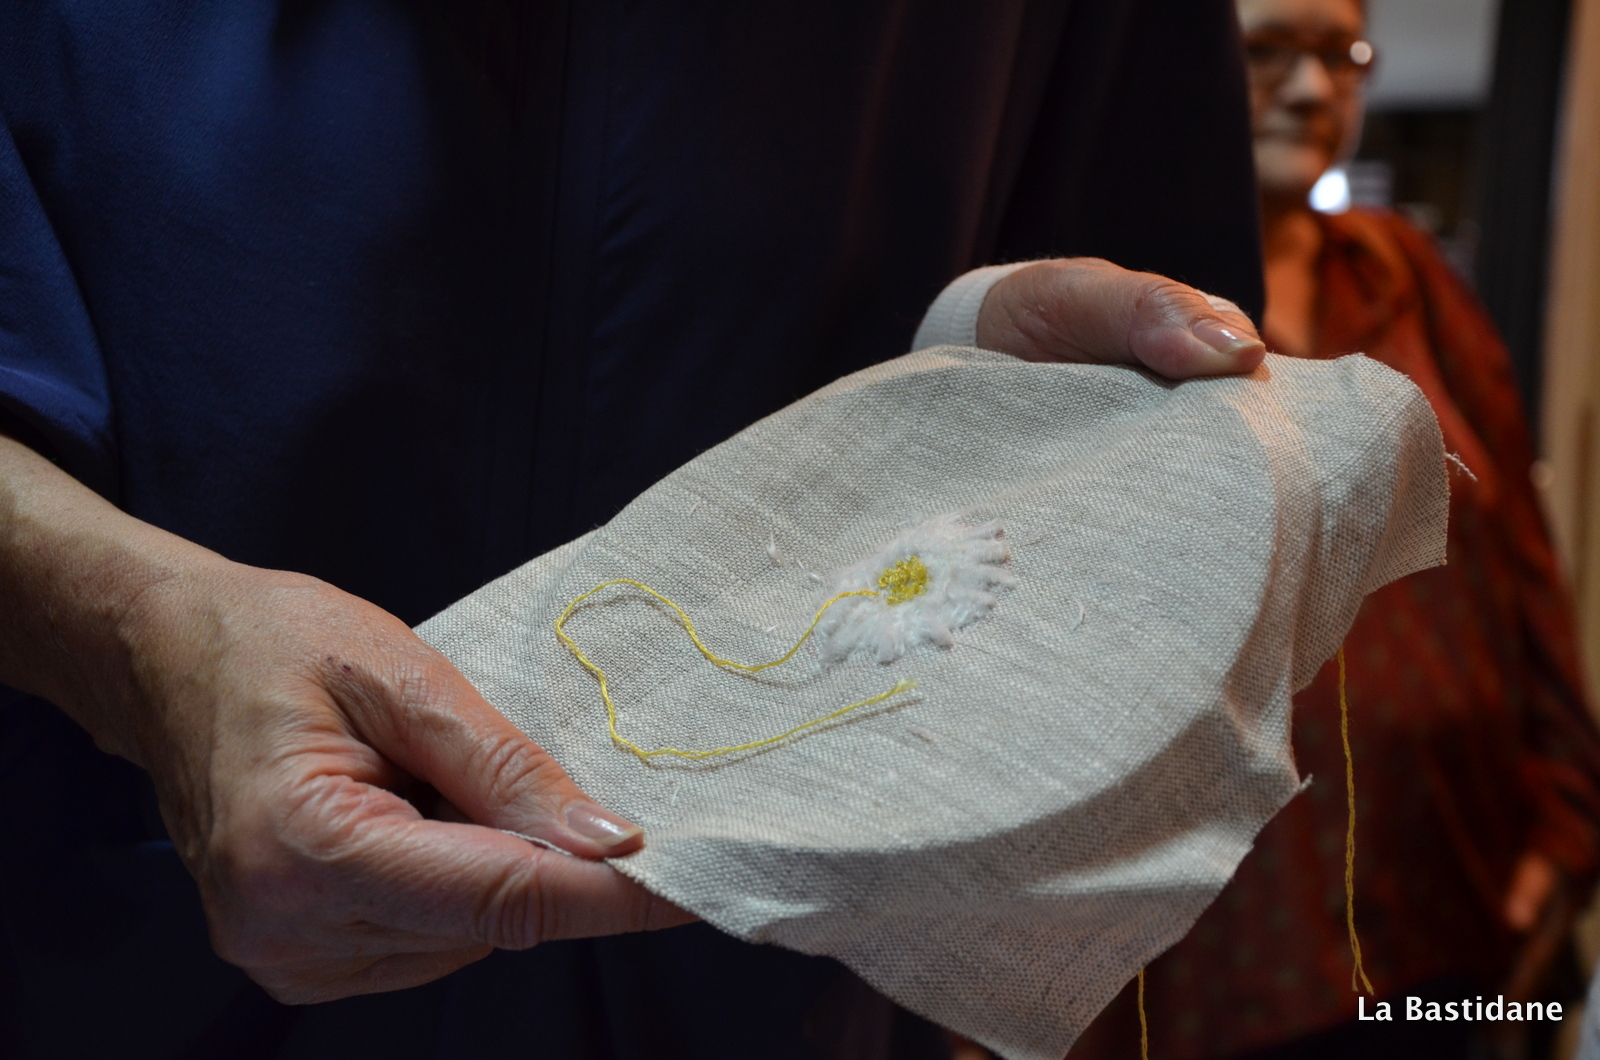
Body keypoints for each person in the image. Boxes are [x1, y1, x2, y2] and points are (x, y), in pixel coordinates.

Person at [0, 2, 1270, 1057]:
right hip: (124, 964)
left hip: (784, 995)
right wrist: (134, 630)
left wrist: (984, 400)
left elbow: (1165, 370)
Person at [1067, 1, 1600, 1058]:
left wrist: (1567, 818)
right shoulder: (1100, 314)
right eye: (1269, 50)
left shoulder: (1406, 278)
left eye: (1340, 54)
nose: (1313, 90)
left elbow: (1516, 557)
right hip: (1225, 954)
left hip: (1452, 899)